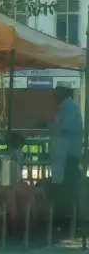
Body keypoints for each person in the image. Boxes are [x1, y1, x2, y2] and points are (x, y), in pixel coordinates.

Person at [49, 84, 83, 230]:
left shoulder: (68, 106)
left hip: (68, 155)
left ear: (63, 92)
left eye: (57, 92)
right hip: (64, 155)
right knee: (63, 187)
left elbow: (66, 128)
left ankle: (66, 220)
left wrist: (49, 125)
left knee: (66, 189)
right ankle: (64, 218)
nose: (54, 95)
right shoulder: (66, 106)